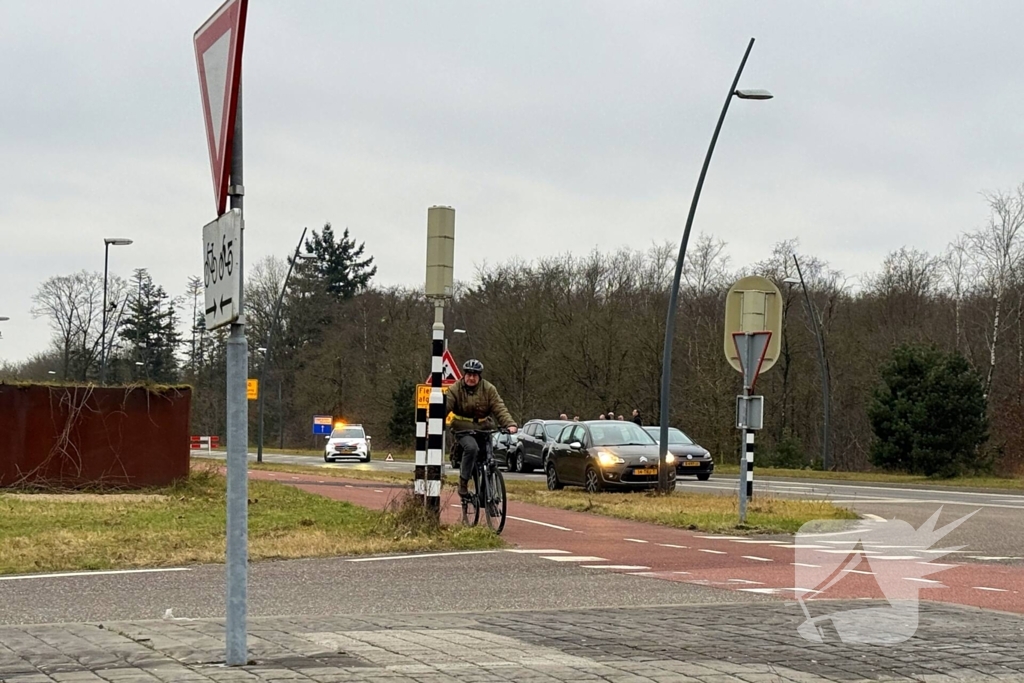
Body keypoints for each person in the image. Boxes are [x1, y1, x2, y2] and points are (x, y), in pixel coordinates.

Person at [445, 359, 517, 497]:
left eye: (475, 375)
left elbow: (499, 407)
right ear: (464, 375)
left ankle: (486, 493)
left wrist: (510, 424)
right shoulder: (455, 389)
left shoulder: (488, 389)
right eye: (469, 375)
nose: (471, 378)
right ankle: (463, 482)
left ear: (479, 376)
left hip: (484, 428)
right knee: (472, 448)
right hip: (462, 428)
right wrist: (434, 423)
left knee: (489, 458)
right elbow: (446, 406)